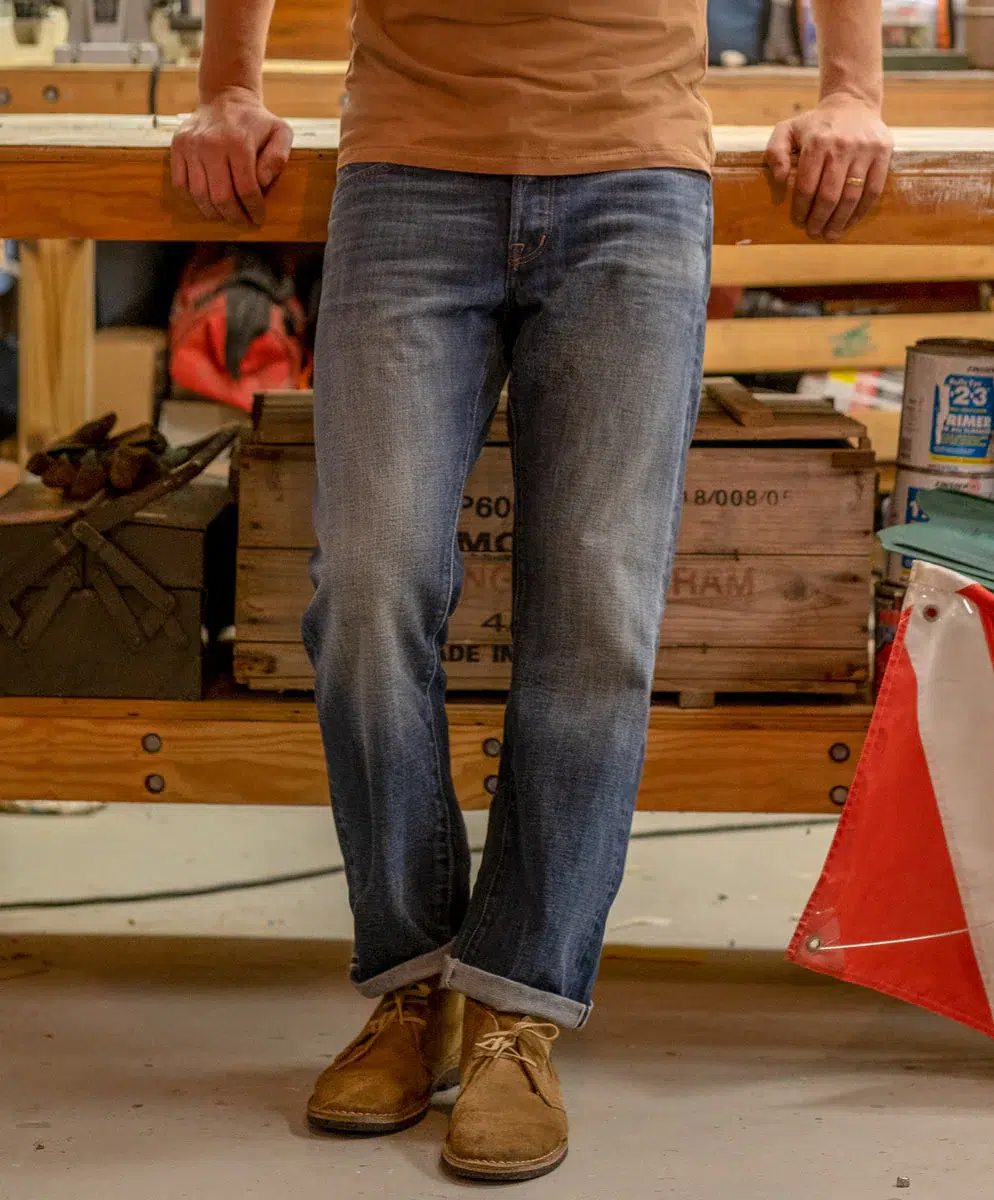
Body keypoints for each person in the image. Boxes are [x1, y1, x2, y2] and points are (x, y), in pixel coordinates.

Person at [172, 0, 892, 1182]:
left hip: (634, 175)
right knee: (366, 583)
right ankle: (411, 987)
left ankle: (516, 1004)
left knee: (597, 607)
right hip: (409, 169)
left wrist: (853, 89)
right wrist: (225, 85)